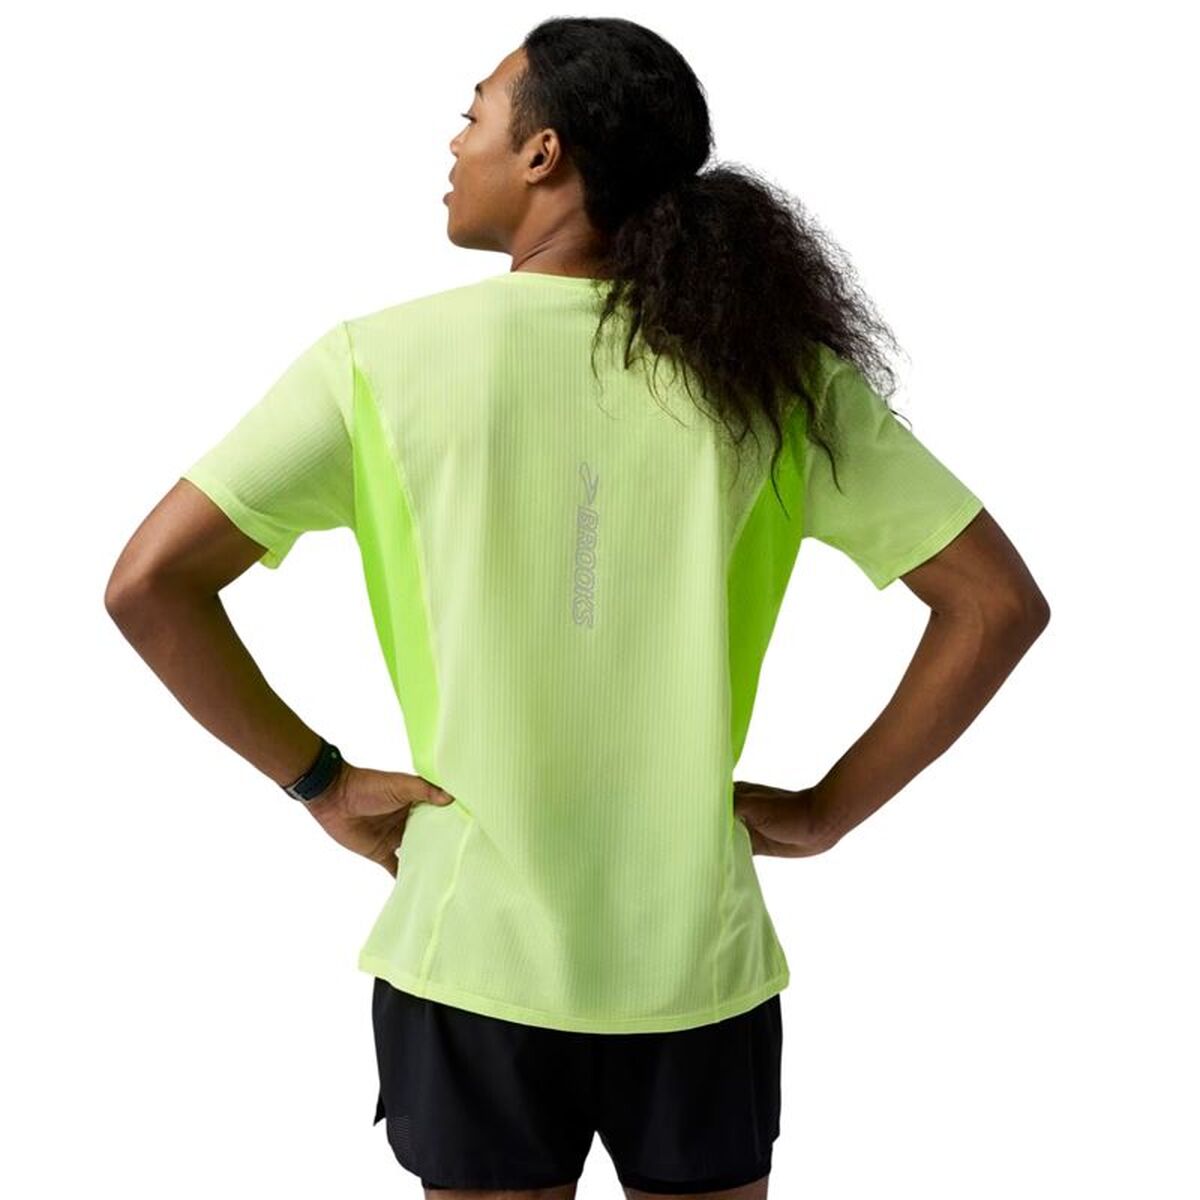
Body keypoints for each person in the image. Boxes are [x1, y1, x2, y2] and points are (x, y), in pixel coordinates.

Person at [104, 17, 1050, 1200]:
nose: (455, 143)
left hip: (470, 957)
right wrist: (825, 816)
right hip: (696, 965)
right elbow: (994, 606)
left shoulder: (377, 365)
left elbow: (150, 585)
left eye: (475, 113)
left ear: (543, 152)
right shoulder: (770, 374)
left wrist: (323, 784)